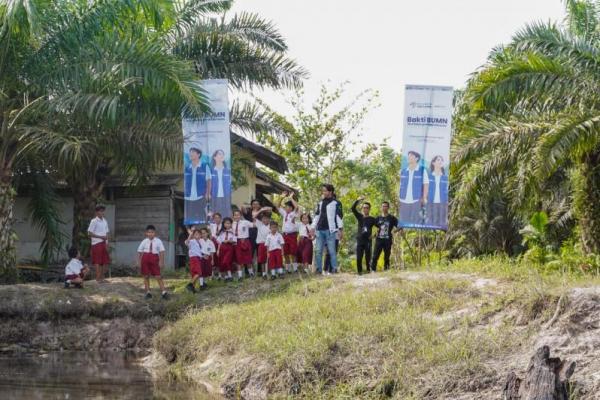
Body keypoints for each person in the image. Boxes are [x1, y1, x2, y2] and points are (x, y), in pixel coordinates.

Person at [310, 184, 344, 274]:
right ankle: (318, 270)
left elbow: (339, 217)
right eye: (323, 191)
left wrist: (340, 230)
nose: (323, 192)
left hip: (330, 230)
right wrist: (313, 227)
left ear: (330, 192)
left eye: (325, 190)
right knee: (318, 251)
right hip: (319, 230)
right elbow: (317, 215)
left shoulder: (336, 203)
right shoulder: (320, 203)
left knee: (331, 251)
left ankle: (334, 269)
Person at [137, 225, 168, 300]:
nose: (150, 234)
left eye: (152, 232)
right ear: (146, 233)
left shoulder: (158, 241)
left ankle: (164, 292)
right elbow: (140, 252)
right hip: (145, 259)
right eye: (149, 232)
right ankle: (148, 292)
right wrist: (138, 262)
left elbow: (161, 252)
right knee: (146, 276)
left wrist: (161, 261)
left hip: (154, 259)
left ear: (155, 233)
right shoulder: (144, 241)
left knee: (158, 276)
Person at [399, 150, 429, 225]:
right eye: (408, 156)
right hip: (404, 200)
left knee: (418, 220)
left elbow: (426, 184)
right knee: (405, 221)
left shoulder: (422, 170)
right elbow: (401, 184)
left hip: (416, 200)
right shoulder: (404, 171)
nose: (409, 157)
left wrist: (424, 197)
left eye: (411, 156)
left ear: (416, 158)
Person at [184, 147, 212, 224]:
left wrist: (208, 193)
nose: (191, 154)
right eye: (190, 152)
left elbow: (209, 180)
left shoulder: (204, 166)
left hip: (200, 196)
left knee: (201, 217)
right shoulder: (187, 168)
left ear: (198, 154)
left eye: (193, 152)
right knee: (190, 218)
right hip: (188, 198)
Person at [371, 202, 399, 271]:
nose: (384, 208)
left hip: (387, 240)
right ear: (381, 208)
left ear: (388, 207)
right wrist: (374, 235)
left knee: (387, 256)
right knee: (375, 256)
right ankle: (373, 270)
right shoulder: (378, 218)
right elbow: (375, 227)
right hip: (379, 240)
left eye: (386, 206)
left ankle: (386, 270)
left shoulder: (392, 218)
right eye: (383, 206)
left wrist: (394, 231)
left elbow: (400, 226)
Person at [352, 196, 377, 275]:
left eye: (367, 208)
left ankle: (368, 271)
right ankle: (359, 272)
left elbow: (380, 227)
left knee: (368, 257)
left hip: (368, 240)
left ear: (369, 209)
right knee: (359, 257)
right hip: (360, 240)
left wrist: (374, 235)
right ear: (362, 209)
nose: (365, 209)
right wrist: (358, 200)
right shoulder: (360, 216)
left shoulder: (372, 219)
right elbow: (353, 208)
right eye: (364, 207)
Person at [186, 227, 215, 293]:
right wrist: (190, 234)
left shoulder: (199, 242)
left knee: (195, 274)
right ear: (193, 235)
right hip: (194, 258)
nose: (198, 235)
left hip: (199, 258)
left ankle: (192, 288)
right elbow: (187, 242)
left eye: (199, 234)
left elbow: (200, 252)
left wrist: (204, 256)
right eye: (196, 234)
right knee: (199, 273)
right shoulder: (192, 241)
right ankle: (189, 285)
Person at [88, 205, 110, 283]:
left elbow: (107, 233)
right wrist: (100, 237)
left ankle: (102, 277)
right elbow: (90, 233)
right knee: (97, 261)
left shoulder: (105, 221)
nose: (102, 213)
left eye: (103, 211)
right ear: (96, 212)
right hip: (96, 243)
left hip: (104, 243)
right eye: (100, 211)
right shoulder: (94, 221)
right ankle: (98, 278)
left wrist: (107, 243)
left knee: (104, 261)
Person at [278, 191, 300, 273]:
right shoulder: (284, 214)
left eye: (288, 207)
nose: (286, 208)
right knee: (286, 252)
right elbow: (277, 206)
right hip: (285, 236)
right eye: (285, 207)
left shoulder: (294, 214)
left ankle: (295, 268)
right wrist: (281, 197)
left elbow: (297, 207)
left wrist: (291, 198)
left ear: (291, 208)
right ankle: (288, 268)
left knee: (293, 252)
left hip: (292, 235)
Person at [427, 155, 449, 229]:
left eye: (441, 160)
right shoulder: (429, 177)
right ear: (433, 163)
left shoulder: (445, 177)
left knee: (441, 223)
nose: (440, 161)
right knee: (430, 222)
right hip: (431, 203)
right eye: (438, 160)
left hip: (442, 204)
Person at [232, 209, 255, 279]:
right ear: (233, 216)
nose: (237, 216)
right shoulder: (231, 224)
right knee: (239, 260)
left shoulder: (245, 222)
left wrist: (255, 217)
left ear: (240, 215)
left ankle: (251, 273)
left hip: (246, 241)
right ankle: (240, 276)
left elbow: (254, 225)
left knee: (248, 259)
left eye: (238, 215)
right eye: (235, 215)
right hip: (237, 242)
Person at [209, 149, 231, 218]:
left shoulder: (227, 171)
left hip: (226, 197)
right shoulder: (211, 171)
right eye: (219, 154)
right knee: (215, 215)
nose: (221, 155)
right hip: (215, 197)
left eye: (222, 154)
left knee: (226, 215)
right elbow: (208, 184)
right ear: (214, 157)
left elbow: (229, 184)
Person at [216, 217, 236, 282]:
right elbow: (219, 242)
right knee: (223, 262)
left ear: (231, 224)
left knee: (226, 261)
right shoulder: (221, 232)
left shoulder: (233, 231)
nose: (227, 225)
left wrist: (228, 241)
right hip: (222, 248)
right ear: (223, 224)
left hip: (229, 248)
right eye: (226, 223)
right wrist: (218, 250)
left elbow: (235, 241)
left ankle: (230, 276)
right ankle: (227, 277)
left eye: (229, 223)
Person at [255, 211, 272, 279]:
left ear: (269, 219)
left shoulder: (271, 226)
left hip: (270, 245)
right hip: (261, 244)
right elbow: (254, 216)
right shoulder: (259, 224)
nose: (265, 220)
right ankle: (263, 273)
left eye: (267, 218)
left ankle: (270, 272)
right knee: (262, 260)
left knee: (270, 258)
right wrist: (262, 210)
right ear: (261, 219)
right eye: (264, 218)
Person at [209, 212, 222, 278]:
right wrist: (209, 216)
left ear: (220, 218)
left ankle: (220, 274)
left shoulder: (223, 226)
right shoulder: (212, 225)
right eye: (215, 218)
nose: (217, 219)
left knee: (219, 257)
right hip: (213, 242)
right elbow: (207, 223)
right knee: (212, 257)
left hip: (220, 243)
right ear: (213, 219)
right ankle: (212, 274)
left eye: (218, 218)